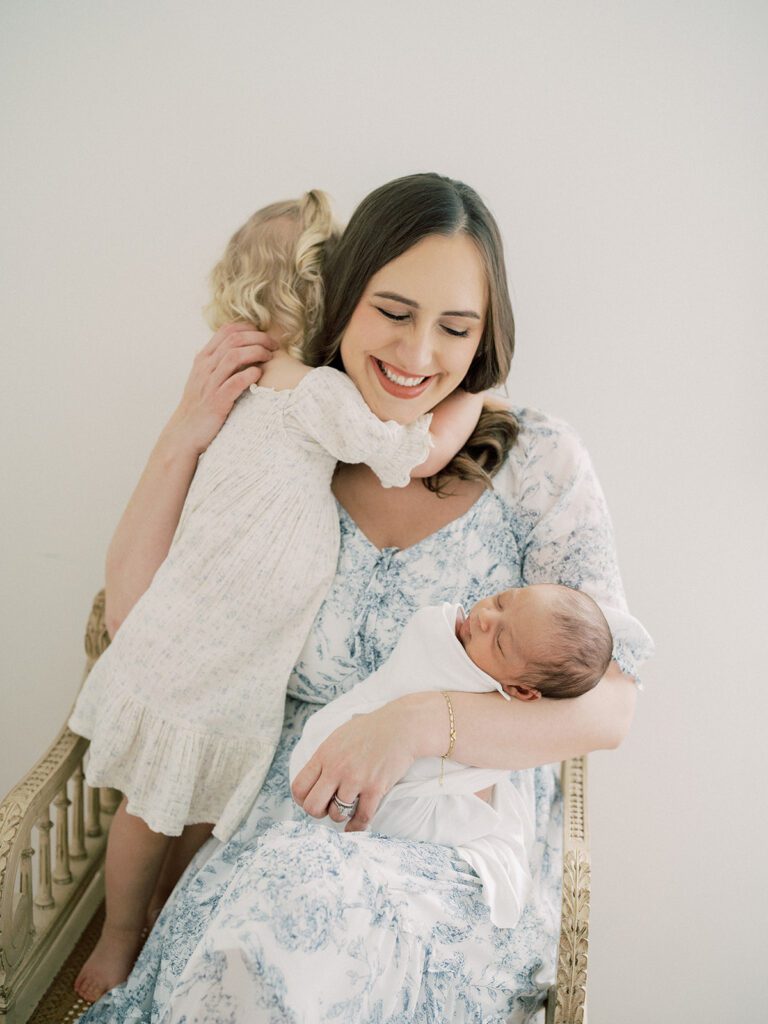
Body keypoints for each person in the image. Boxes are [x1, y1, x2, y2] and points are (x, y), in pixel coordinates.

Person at [80, 172, 653, 1024]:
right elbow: (135, 620)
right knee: (265, 932)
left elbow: (609, 711)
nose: (419, 354)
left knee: (318, 927)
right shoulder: (287, 440)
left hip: (451, 840)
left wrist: (420, 722)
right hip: (277, 819)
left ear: (485, 339)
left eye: (455, 328)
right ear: (343, 302)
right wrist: (183, 433)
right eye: (393, 312)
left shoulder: (542, 461)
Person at [69, 190, 485, 1004]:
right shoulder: (308, 393)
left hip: (224, 654)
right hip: (202, 650)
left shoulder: (264, 386)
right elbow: (408, 454)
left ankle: (150, 921)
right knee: (160, 813)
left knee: (176, 808)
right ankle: (123, 936)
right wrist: (470, 400)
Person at [289, 583, 615, 929]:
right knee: (476, 816)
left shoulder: (504, 712)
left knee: (447, 815)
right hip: (332, 747)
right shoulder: (438, 632)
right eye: (503, 600)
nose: (486, 617)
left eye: (501, 643)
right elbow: (422, 647)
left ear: (521, 691)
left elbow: (609, 720)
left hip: (382, 801)